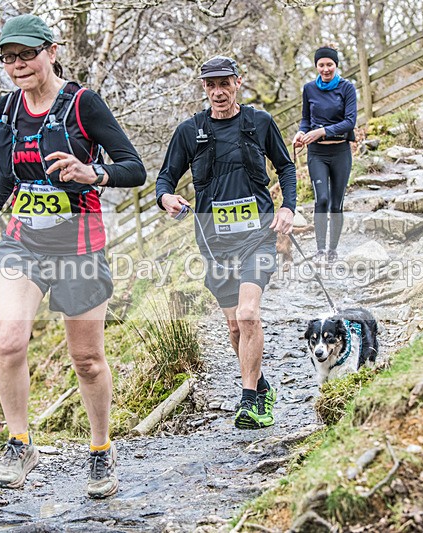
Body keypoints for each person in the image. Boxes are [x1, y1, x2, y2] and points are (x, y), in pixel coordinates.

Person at [0, 14, 146, 497]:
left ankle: (100, 449)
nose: (18, 64)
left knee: (86, 358)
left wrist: (93, 173)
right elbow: (10, 173)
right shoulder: (7, 109)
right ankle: (20, 443)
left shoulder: (83, 104)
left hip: (79, 245)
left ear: (51, 51)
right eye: (9, 57)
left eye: (27, 54)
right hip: (22, 241)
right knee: (7, 342)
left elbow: (135, 168)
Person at [155, 56, 296, 430]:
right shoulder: (190, 132)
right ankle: (261, 385)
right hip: (213, 242)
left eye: (224, 83)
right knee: (235, 328)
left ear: (237, 82)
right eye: (210, 85)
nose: (218, 92)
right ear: (204, 88)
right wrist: (166, 198)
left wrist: (288, 207)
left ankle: (249, 402)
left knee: (249, 316)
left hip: (257, 237)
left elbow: (286, 166)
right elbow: (165, 179)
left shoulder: (259, 123)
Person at [291, 46, 356, 263]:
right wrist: (301, 132)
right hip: (317, 152)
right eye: (321, 64)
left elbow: (350, 122)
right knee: (322, 199)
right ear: (316, 66)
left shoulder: (347, 88)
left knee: (336, 203)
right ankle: (319, 250)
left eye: (330, 64)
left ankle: (332, 251)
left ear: (336, 65)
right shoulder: (309, 89)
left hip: (340, 151)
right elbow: (305, 119)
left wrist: (323, 131)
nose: (326, 69)